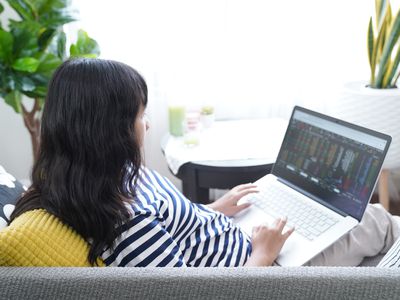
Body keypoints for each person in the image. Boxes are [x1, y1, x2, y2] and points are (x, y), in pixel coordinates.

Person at [9, 58, 400, 267]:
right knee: (378, 221)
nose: (145, 123)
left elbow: (171, 222)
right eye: (139, 114)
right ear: (108, 131)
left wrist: (216, 209)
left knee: (357, 217)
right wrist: (263, 254)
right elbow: (202, 293)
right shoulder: (126, 226)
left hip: (240, 233)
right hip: (264, 266)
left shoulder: (110, 178)